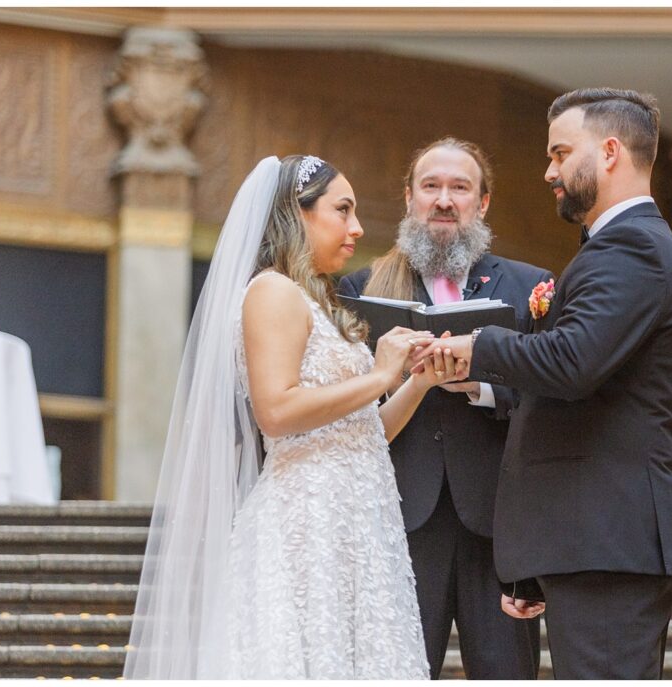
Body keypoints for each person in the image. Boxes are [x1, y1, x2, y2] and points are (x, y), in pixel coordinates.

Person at [124, 155, 468, 679]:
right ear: (296, 213)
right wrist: (378, 376)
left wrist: (417, 380)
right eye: (342, 210)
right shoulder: (271, 292)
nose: (357, 228)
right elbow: (277, 411)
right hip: (307, 520)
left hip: (359, 520)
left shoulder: (315, 299)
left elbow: (364, 432)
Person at [416, 89, 672, 679]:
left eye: (559, 153)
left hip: (609, 540)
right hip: (588, 544)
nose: (549, 171)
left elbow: (573, 363)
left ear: (610, 152)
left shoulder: (633, 247)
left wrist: (476, 348)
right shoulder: (616, 247)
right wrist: (536, 562)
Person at [339, 138, 551, 679]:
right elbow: (345, 401)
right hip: (400, 520)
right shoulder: (361, 288)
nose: (444, 199)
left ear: (482, 205)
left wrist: (480, 387)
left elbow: (553, 391)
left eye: (460, 187)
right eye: (431, 186)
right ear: (409, 198)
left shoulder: (530, 286)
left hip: (499, 525)